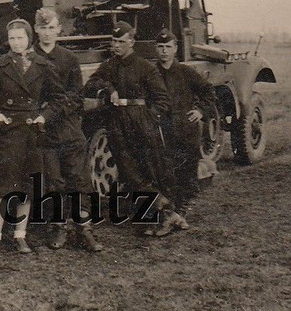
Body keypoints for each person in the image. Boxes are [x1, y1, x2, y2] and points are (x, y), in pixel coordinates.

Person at [0, 19, 62, 257]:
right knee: (1, 187)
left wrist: (44, 117)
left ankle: (20, 236)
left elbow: (60, 98)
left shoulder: (42, 65)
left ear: (29, 38)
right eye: (12, 38)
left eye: (20, 37)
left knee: (27, 188)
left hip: (31, 131)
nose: (16, 42)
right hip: (7, 132)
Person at [83, 21, 184, 236]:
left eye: (121, 41)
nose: (116, 45)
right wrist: (109, 88)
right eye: (114, 41)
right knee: (130, 173)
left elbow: (162, 101)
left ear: (132, 42)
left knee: (149, 169)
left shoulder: (145, 67)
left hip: (141, 122)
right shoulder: (110, 66)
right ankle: (167, 213)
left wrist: (148, 120)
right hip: (117, 123)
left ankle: (160, 218)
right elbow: (92, 82)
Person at [33, 8, 103, 253]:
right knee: (54, 182)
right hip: (43, 131)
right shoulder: (29, 57)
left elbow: (75, 96)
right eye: (43, 28)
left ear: (59, 29)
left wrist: (54, 110)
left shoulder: (69, 59)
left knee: (79, 179)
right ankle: (59, 226)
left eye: (52, 28)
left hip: (69, 129)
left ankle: (84, 228)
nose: (47, 33)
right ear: (36, 30)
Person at [154, 29, 217, 227]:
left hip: (185, 132)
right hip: (162, 133)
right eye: (160, 47)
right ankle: (169, 212)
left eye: (168, 47)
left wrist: (200, 111)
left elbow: (208, 92)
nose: (164, 51)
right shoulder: (151, 73)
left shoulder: (186, 73)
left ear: (175, 49)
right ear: (156, 49)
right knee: (165, 173)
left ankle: (181, 212)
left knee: (186, 173)